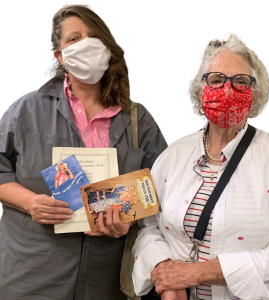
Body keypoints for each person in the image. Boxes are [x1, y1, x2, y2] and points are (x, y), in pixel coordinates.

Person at [0, 5, 167, 300]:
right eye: (74, 39)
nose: (86, 45)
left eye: (93, 37)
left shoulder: (138, 121)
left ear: (107, 48)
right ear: (60, 57)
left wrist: (127, 221)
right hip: (30, 278)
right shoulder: (25, 111)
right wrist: (30, 203)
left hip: (105, 282)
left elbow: (164, 187)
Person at [132, 34, 269, 300]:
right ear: (201, 90)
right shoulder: (172, 156)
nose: (227, 90)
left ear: (256, 94)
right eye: (217, 80)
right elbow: (149, 227)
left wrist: (195, 273)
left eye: (241, 82)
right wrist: (166, 273)